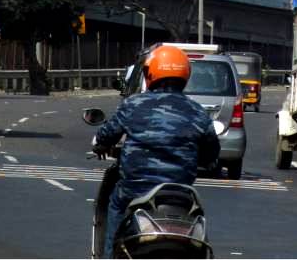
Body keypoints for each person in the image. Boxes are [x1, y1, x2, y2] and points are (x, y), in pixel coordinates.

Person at [93, 45, 220, 259]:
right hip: (180, 195)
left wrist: (100, 145)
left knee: (115, 204)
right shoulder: (198, 112)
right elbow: (211, 154)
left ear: (149, 73)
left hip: (134, 191)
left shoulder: (133, 104)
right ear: (185, 75)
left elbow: (106, 135)